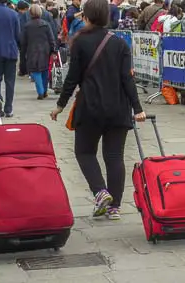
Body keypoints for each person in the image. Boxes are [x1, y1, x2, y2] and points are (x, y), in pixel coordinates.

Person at [50, 0, 146, 220]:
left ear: (87, 16)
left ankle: (100, 191)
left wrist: (60, 105)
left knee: (84, 152)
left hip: (90, 107)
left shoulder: (80, 42)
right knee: (114, 156)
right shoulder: (120, 43)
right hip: (118, 108)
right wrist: (137, 108)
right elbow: (127, 79)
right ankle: (115, 207)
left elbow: (72, 78)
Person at [22, 4, 56, 100]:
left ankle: (40, 91)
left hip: (32, 50)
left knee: (35, 71)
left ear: (30, 13)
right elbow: (51, 38)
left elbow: (24, 41)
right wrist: (53, 50)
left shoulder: (27, 26)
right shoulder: (46, 24)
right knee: (45, 70)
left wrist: (23, 53)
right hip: (45, 50)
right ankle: (44, 91)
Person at [17, 0, 30, 76]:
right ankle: (26, 69)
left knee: (22, 55)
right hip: (25, 37)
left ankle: (22, 70)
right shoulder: (26, 16)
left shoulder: (16, 15)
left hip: (19, 38)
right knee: (26, 54)